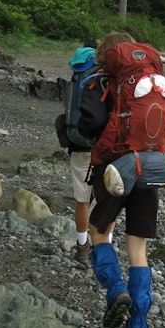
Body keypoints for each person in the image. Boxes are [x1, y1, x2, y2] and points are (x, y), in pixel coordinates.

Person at [78, 32, 165, 328]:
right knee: (138, 250)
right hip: (149, 168)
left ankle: (115, 289)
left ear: (107, 56)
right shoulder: (153, 82)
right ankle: (137, 327)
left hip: (113, 169)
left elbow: (88, 125)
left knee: (100, 232)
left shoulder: (101, 81)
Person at [65, 41, 99, 261]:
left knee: (82, 200)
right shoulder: (101, 73)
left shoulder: (76, 75)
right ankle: (102, 245)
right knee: (105, 200)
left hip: (77, 142)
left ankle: (82, 246)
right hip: (102, 145)